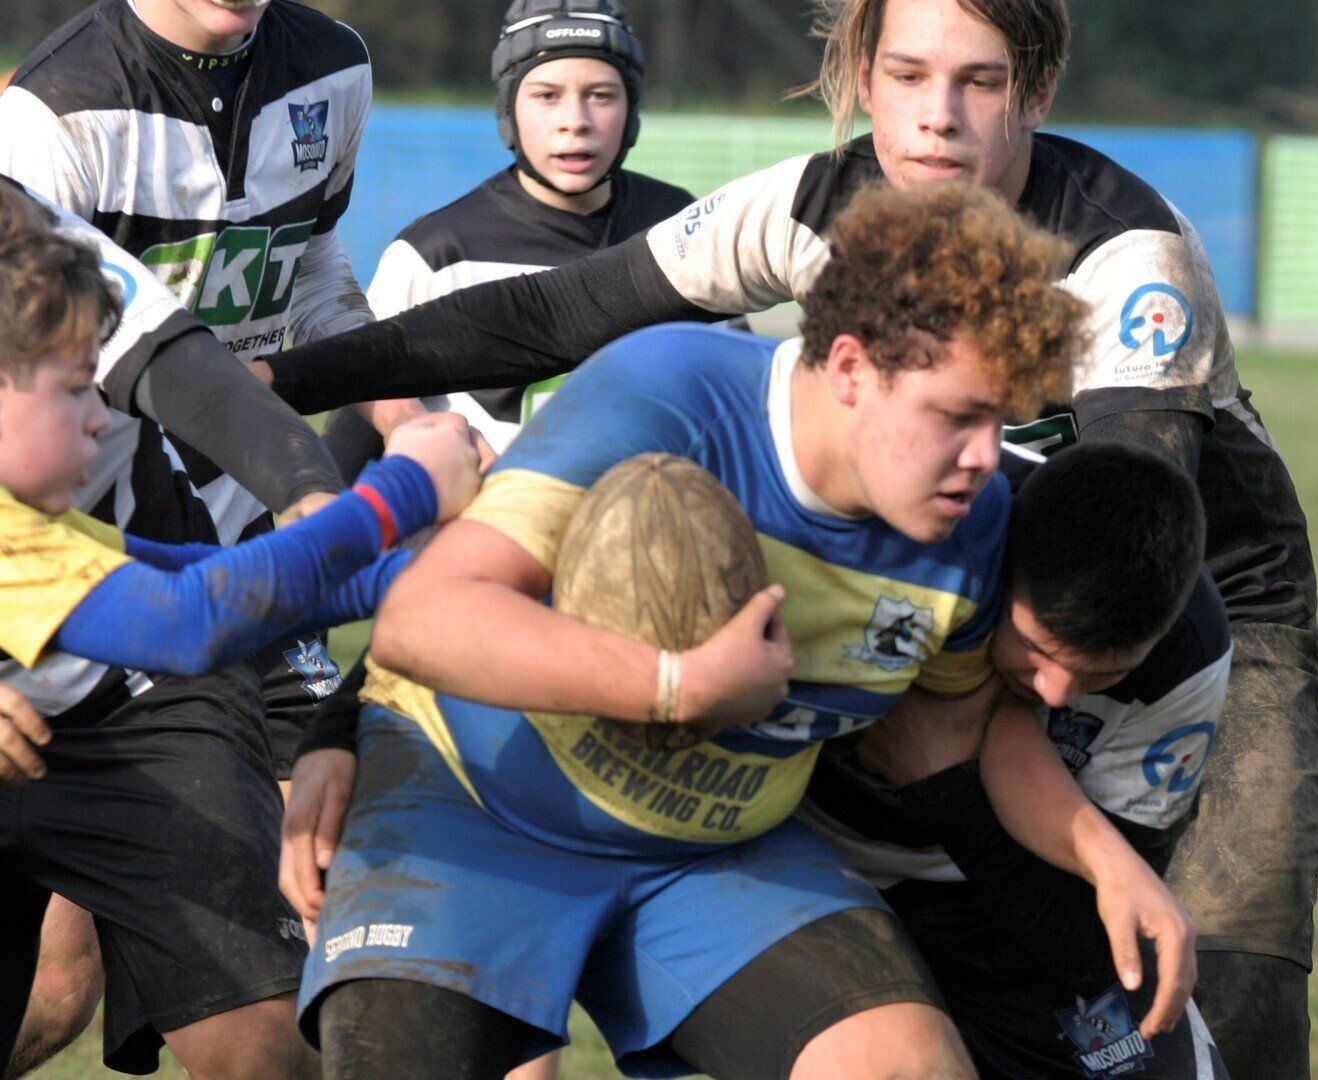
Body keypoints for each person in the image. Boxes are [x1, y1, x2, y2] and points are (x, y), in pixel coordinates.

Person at [251, 2, 1318, 1073]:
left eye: (981, 83)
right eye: (908, 76)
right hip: (832, 624)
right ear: (862, 74)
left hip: (1161, 602)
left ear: (1037, 92)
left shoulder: (1122, 272)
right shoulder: (760, 286)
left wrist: (1105, 860)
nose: (937, 120)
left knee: (1217, 983)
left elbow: (1121, 518)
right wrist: (268, 387)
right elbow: (548, 329)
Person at [287, 183, 1195, 1079]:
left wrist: (1105, 859)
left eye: (999, 421)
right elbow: (423, 617)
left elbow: (968, 729)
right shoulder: (670, 394)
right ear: (849, 368)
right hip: (477, 801)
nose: (986, 458)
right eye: (958, 416)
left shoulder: (973, 524)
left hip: (714, 853)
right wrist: (674, 688)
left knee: (908, 1068)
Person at [0, 184, 480, 1078]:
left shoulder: (38, 525)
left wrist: (454, 578)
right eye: (77, 390)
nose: (108, 419)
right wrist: (402, 491)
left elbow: (197, 581)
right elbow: (194, 624)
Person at [805, 440, 1234, 1078]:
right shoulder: (927, 522)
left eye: (1104, 673)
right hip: (818, 870)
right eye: (1037, 649)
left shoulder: (1188, 660)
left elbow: (1086, 940)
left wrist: (943, 788)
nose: (1056, 692)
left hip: (1011, 906)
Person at [321, 0, 695, 473]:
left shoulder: (682, 226)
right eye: (546, 95)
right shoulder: (435, 255)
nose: (575, 119)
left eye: (601, 94)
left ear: (632, 107)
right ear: (508, 109)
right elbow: (350, 445)